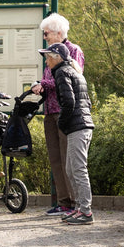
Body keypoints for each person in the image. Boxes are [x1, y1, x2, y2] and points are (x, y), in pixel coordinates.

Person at [39, 41, 94, 225]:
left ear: (57, 58)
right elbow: (87, 102)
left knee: (78, 169)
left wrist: (61, 123)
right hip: (81, 125)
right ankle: (79, 209)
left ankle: (86, 212)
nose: (46, 61)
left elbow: (69, 103)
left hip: (78, 126)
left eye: (48, 57)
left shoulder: (62, 72)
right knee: (71, 169)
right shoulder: (73, 71)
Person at [37, 13, 86, 216]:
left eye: (46, 33)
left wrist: (43, 84)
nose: (45, 37)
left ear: (58, 33)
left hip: (65, 111)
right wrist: (41, 87)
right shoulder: (50, 53)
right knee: (56, 159)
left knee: (69, 159)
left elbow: (73, 76)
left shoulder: (73, 50)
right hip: (50, 110)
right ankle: (63, 202)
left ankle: (76, 203)